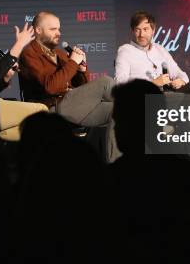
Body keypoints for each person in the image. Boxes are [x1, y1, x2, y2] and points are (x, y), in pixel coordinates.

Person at [19, 11, 119, 161]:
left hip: (72, 104)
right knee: (105, 82)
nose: (58, 33)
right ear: (38, 30)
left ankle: (116, 166)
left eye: (59, 29)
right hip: (52, 107)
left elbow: (83, 88)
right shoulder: (29, 54)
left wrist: (82, 70)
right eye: (53, 29)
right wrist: (72, 63)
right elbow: (50, 87)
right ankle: (138, 102)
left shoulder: (60, 53)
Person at [114, 11, 190, 107]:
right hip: (148, 99)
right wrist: (153, 83)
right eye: (137, 30)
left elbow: (178, 72)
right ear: (133, 31)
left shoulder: (160, 49)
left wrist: (181, 81)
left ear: (153, 30)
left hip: (171, 94)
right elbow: (121, 84)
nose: (141, 34)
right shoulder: (125, 51)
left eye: (145, 29)